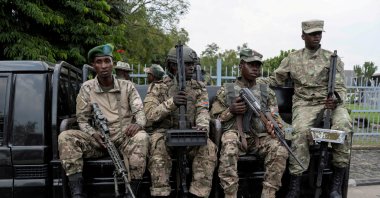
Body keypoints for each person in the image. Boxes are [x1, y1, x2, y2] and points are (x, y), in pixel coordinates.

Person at [261, 20, 352, 198]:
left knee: (344, 125)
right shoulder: (293, 58)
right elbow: (276, 79)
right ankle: (295, 185)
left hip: (330, 103)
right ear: (303, 36)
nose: (316, 36)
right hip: (305, 103)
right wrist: (253, 82)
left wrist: (335, 98)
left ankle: (336, 185)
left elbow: (341, 87)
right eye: (312, 33)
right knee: (300, 132)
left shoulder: (331, 59)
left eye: (319, 33)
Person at [58, 44, 149, 198]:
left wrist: (138, 124)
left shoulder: (127, 86)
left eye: (107, 61)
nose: (104, 66)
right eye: (99, 62)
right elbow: (82, 120)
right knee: (66, 137)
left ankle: (132, 190)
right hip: (100, 141)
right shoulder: (87, 88)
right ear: (93, 65)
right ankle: (78, 193)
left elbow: (140, 112)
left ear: (113, 63)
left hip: (124, 138)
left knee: (142, 137)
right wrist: (94, 134)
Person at [210, 48, 289, 198]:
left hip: (259, 138)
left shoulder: (266, 92)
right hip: (235, 135)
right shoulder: (227, 90)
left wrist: (275, 127)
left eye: (258, 65)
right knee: (229, 146)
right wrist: (231, 111)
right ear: (241, 65)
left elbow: (275, 116)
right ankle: (230, 194)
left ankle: (268, 194)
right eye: (251, 64)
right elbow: (214, 120)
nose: (255, 68)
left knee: (280, 149)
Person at [144, 45, 217, 198]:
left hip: (190, 134)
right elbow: (149, 115)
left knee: (208, 148)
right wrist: (172, 103)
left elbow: (203, 110)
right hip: (165, 134)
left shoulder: (198, 88)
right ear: (172, 65)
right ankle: (161, 192)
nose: (192, 68)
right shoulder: (158, 87)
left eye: (193, 64)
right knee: (158, 150)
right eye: (188, 64)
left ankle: (197, 194)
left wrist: (203, 127)